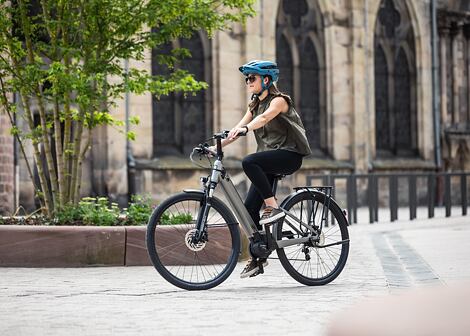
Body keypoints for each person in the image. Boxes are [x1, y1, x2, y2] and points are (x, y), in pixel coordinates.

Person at [214, 60, 312, 278]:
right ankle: (259, 257)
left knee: (249, 161)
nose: (248, 82)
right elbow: (238, 128)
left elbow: (265, 118)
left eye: (252, 78)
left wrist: (247, 128)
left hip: (289, 155)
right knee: (248, 211)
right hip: (271, 159)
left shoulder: (279, 100)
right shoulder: (255, 103)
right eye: (246, 78)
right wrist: (215, 147)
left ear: (266, 80)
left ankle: (273, 207)